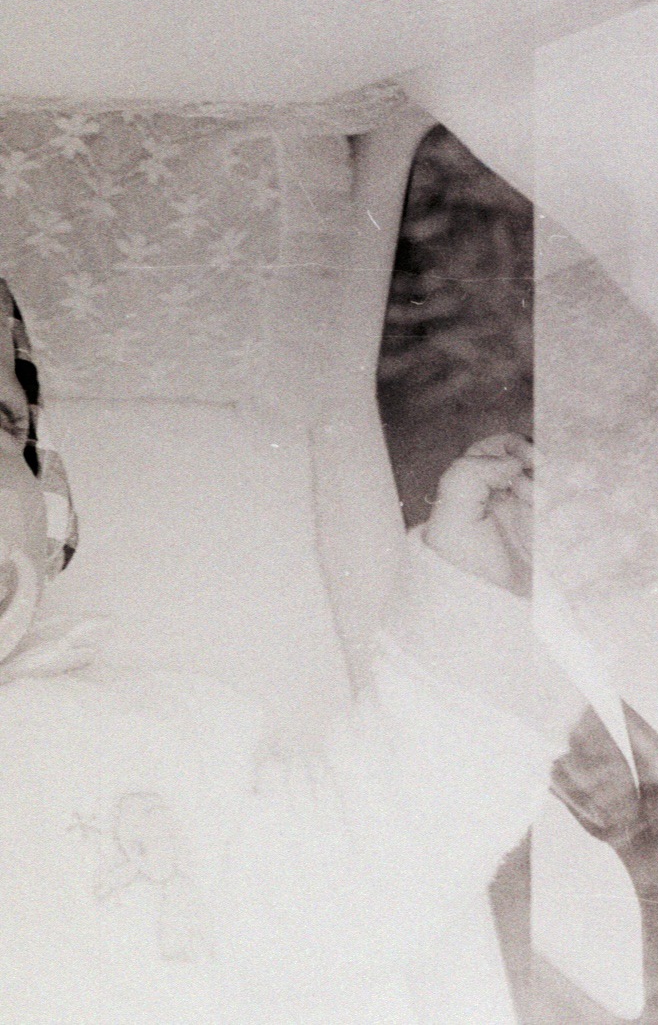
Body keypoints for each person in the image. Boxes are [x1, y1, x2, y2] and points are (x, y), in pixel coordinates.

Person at [0, 430, 574, 1024]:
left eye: (4, 422)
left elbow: (352, 864)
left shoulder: (103, 737)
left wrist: (471, 592)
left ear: (49, 509)